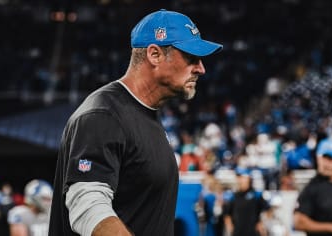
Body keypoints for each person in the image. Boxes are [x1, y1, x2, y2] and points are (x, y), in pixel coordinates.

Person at [48, 9, 222, 236]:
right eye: (191, 57)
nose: (201, 68)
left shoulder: (146, 115)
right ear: (155, 55)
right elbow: (87, 205)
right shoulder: (103, 114)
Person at [224, 168, 269, 236]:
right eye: (239, 177)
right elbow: (227, 214)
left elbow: (267, 210)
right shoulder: (233, 196)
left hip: (253, 233)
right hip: (238, 233)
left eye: (242, 177)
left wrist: (262, 223)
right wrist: (230, 228)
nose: (240, 180)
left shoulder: (256, 195)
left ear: (248, 178)